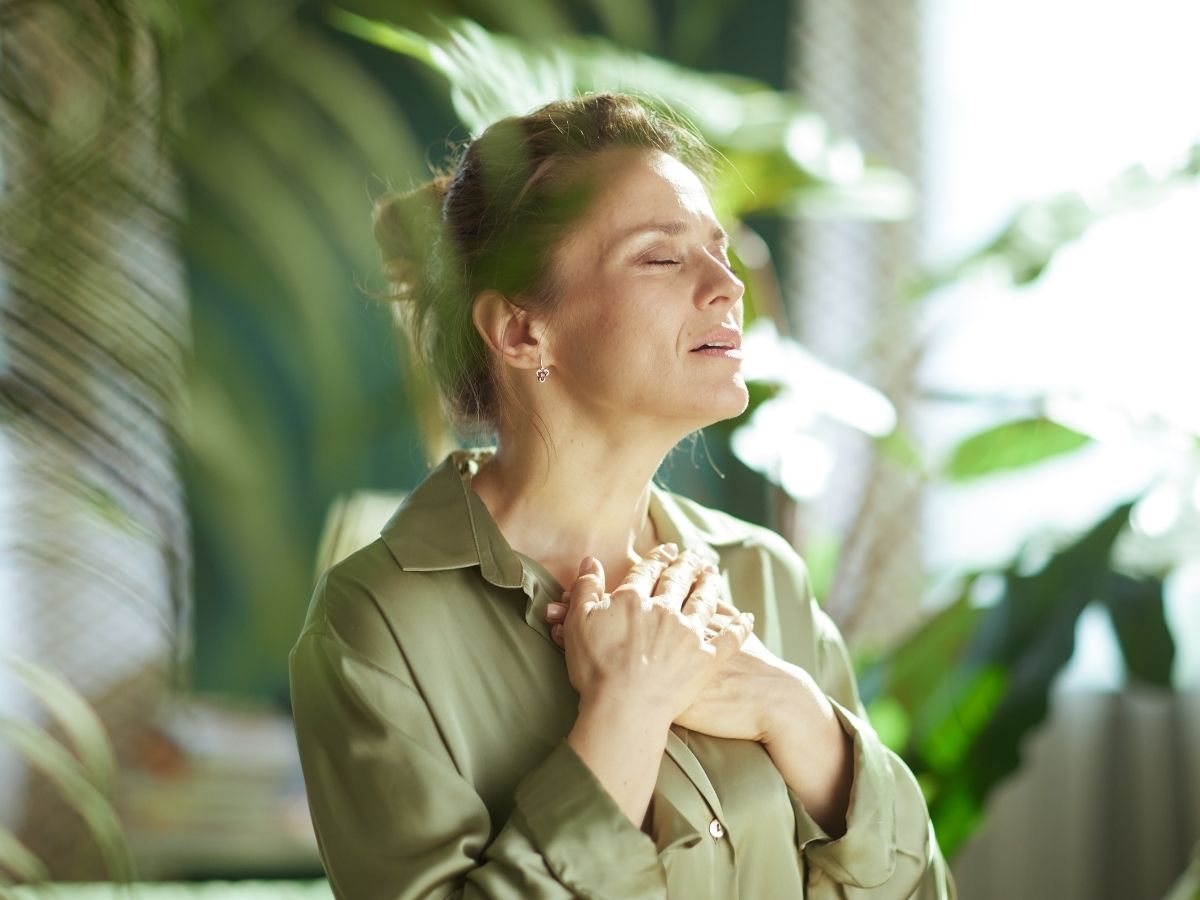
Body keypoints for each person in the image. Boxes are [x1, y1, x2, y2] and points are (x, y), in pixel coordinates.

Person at [288, 91, 956, 899]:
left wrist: (793, 712)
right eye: (662, 258)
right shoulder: (376, 626)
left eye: (718, 251)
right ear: (521, 331)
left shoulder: (762, 575)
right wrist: (626, 712)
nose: (727, 286)